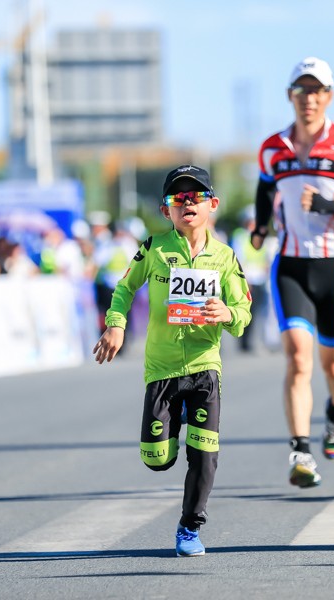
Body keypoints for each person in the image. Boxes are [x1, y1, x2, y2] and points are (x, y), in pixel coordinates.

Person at [93, 165, 252, 557]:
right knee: (158, 459)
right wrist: (116, 324)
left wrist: (227, 314)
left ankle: (189, 526)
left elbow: (243, 312)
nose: (186, 203)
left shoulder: (226, 257)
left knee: (204, 454)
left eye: (195, 197)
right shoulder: (154, 247)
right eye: (177, 198)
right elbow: (125, 288)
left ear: (211, 205)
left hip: (204, 367)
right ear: (167, 210)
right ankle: (171, 425)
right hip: (162, 370)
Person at [253, 57, 334, 488]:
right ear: (290, 96)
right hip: (289, 263)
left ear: (329, 96)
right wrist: (258, 226)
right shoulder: (273, 148)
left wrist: (329, 206)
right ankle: (300, 451)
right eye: (300, 90)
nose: (308, 98)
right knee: (296, 358)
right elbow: (264, 186)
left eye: (316, 90)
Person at [230, 206, 272, 352]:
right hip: (248, 279)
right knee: (247, 311)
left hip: (260, 278)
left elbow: (265, 256)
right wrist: (243, 279)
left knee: (259, 313)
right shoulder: (240, 236)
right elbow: (239, 258)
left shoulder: (261, 236)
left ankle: (256, 340)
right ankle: (244, 341)